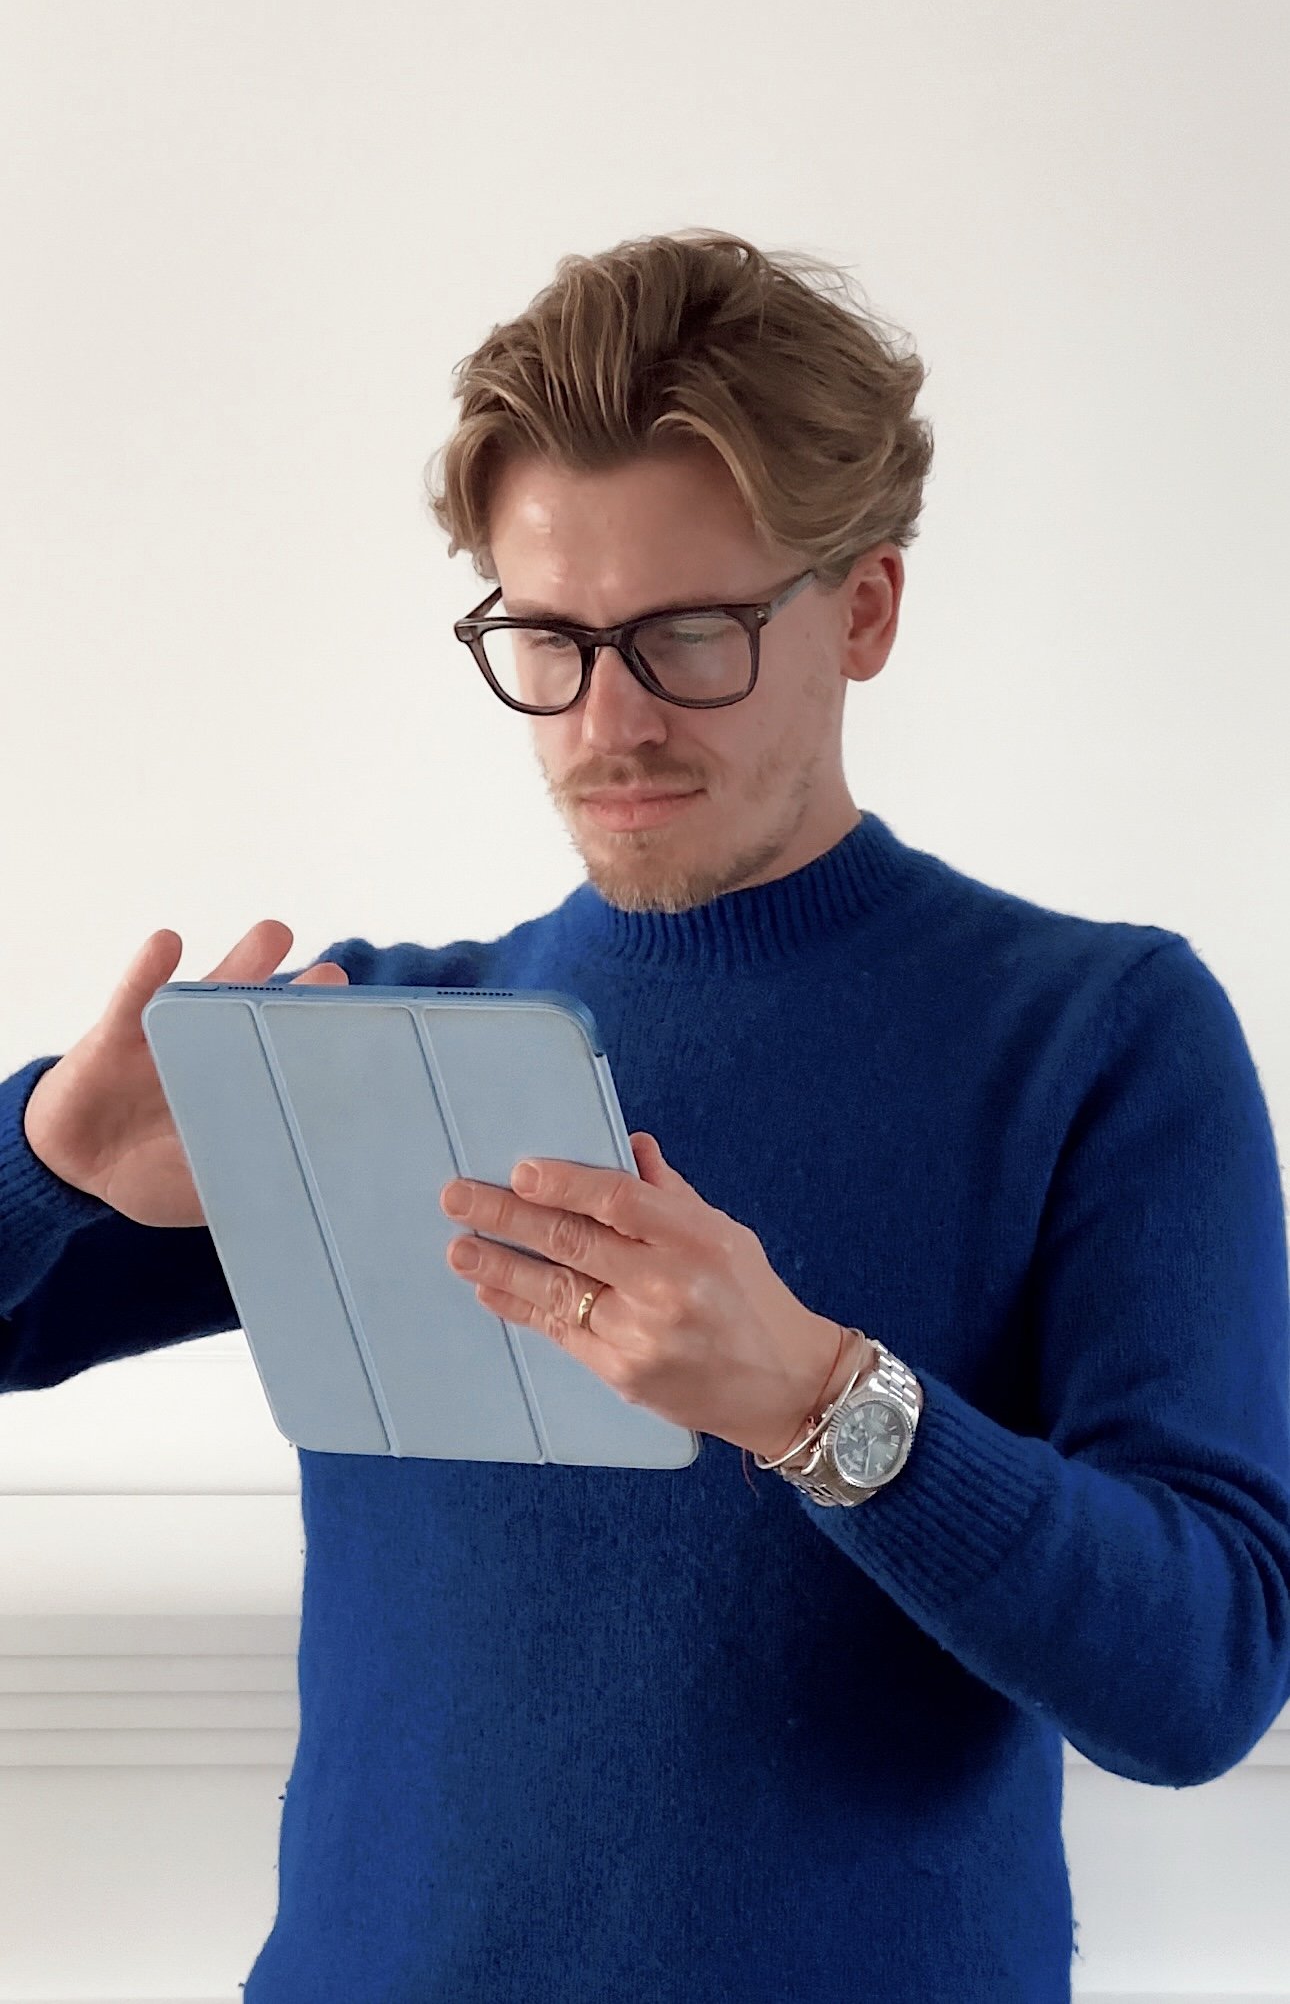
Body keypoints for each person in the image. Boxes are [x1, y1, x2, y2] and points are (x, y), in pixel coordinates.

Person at [3, 228, 1288, 2003]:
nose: (607, 718)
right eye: (546, 637)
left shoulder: (1098, 1038)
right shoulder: (386, 1040)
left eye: (687, 634)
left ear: (866, 607)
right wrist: (51, 1175)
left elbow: (1203, 1675)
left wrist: (823, 1403)